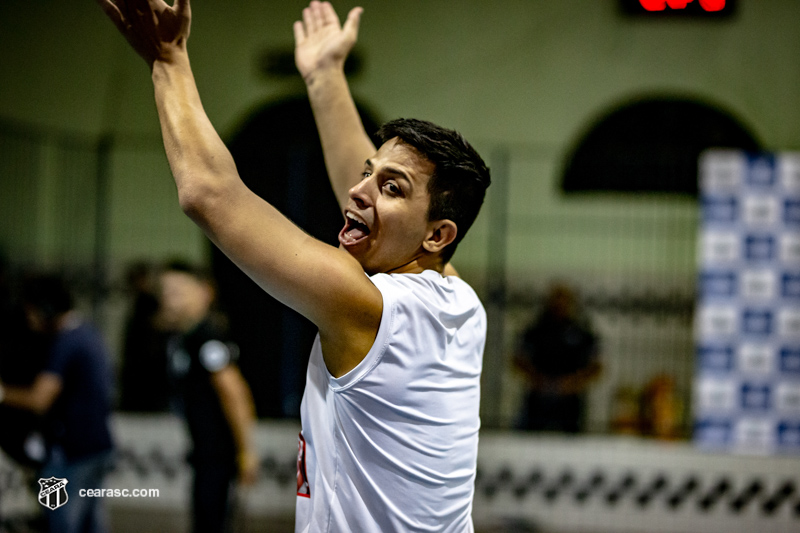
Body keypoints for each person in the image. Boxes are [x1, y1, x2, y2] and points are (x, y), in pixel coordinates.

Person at [96, 1, 491, 531]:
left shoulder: (368, 308)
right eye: (369, 173)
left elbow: (208, 194)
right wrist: (326, 77)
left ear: (437, 234)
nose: (358, 188)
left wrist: (167, 60)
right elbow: (364, 187)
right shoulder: (457, 298)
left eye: (390, 187)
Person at [0, 274, 115, 533]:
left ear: (45, 308)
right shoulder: (87, 333)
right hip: (96, 447)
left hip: (70, 453)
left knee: (61, 523)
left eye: (31, 311)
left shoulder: (65, 343)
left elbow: (40, 400)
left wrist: (3, 393)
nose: (29, 319)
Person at [155, 261, 258, 533]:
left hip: (217, 456)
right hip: (202, 452)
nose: (169, 299)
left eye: (177, 291)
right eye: (165, 292)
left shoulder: (208, 338)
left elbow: (233, 392)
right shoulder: (184, 336)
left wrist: (246, 452)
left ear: (204, 292)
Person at [513, 283, 602, 433]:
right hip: (539, 398)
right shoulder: (536, 330)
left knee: (570, 443)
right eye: (556, 299)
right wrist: (537, 380)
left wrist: (574, 383)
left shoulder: (580, 332)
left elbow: (596, 365)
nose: (559, 304)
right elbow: (518, 358)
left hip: (570, 399)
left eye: (564, 300)